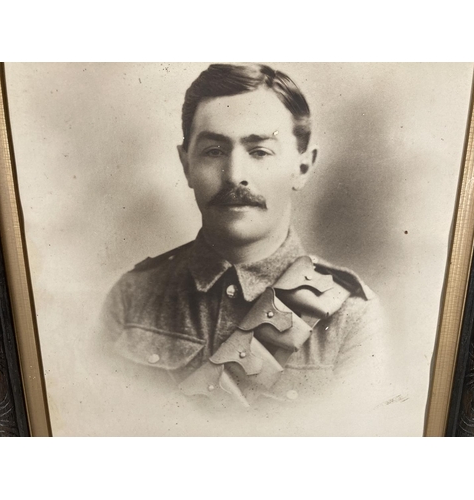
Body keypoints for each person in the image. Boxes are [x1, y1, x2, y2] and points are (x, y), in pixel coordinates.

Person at [100, 64, 387, 414]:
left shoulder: (351, 317)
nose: (235, 175)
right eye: (214, 152)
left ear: (302, 168)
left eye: (260, 151)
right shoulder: (132, 297)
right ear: (186, 164)